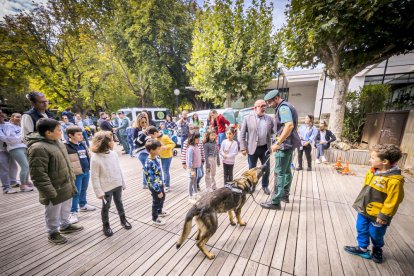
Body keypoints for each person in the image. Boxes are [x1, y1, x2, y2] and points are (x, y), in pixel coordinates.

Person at [344, 144, 404, 263]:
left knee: (376, 234)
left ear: (385, 161)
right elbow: (365, 190)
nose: (369, 160)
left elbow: (394, 200)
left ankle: (377, 249)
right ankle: (362, 248)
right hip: (364, 209)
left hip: (378, 216)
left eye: (372, 158)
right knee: (361, 228)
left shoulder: (394, 181)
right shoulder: (372, 172)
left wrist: (384, 216)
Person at [27, 118, 83, 244]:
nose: (61, 132)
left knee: (65, 207)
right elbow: (38, 174)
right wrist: (49, 191)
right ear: (48, 133)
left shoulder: (57, 142)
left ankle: (65, 225)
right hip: (54, 188)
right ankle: (52, 232)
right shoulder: (38, 148)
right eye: (58, 130)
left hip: (65, 184)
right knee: (53, 211)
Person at [261, 89, 301, 210]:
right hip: (290, 144)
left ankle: (275, 201)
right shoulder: (287, 105)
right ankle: (284, 195)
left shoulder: (283, 108)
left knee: (279, 173)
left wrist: (278, 143)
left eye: (269, 102)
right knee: (287, 170)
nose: (268, 105)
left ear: (276, 98)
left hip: (284, 146)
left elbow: (289, 125)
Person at [90, 131, 132, 237]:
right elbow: (94, 177)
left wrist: (122, 182)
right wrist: (98, 192)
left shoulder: (113, 154)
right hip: (105, 188)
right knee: (106, 207)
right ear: (105, 142)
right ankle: (106, 225)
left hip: (117, 184)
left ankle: (123, 220)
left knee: (119, 202)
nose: (113, 142)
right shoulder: (95, 158)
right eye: (112, 140)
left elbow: (118, 169)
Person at [240, 99, 274, 195]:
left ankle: (265, 186)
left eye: (265, 105)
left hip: (265, 148)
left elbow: (273, 132)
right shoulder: (247, 118)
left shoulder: (269, 118)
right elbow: (242, 134)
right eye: (261, 106)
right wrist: (243, 148)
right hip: (252, 149)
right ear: (255, 108)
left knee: (266, 168)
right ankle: (252, 186)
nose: (264, 107)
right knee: (252, 169)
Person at [65, 126, 96, 225]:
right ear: (70, 135)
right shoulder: (66, 146)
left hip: (86, 171)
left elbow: (88, 156)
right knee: (75, 192)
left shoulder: (82, 144)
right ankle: (73, 212)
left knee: (84, 189)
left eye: (81, 134)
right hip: (76, 174)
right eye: (78, 134)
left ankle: (83, 204)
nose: (81, 136)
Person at [2, 113, 33, 192]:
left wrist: (23, 139)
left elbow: (26, 137)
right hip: (15, 148)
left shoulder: (20, 126)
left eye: (20, 117)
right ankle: (23, 185)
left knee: (27, 165)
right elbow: (9, 138)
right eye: (17, 117)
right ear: (12, 117)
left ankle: (26, 182)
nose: (19, 118)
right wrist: (22, 138)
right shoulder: (8, 126)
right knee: (24, 166)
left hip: (23, 147)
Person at [143, 139, 169, 225]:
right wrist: (158, 190)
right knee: (156, 201)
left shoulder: (155, 157)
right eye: (158, 149)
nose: (160, 150)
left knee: (162, 197)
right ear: (151, 150)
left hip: (159, 183)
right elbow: (152, 178)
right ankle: (155, 217)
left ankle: (159, 211)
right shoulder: (149, 162)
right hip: (154, 186)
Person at [147, 126, 176, 192]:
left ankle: (167, 186)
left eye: (151, 136)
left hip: (167, 156)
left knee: (165, 171)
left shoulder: (165, 137)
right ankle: (165, 182)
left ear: (155, 133)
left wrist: (166, 147)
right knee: (163, 170)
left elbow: (173, 144)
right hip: (161, 156)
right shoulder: (156, 138)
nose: (151, 137)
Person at [180, 124, 205, 191]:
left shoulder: (199, 141)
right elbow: (184, 152)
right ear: (190, 131)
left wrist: (203, 159)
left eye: (196, 129)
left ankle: (196, 183)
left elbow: (202, 151)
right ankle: (194, 187)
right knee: (193, 176)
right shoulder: (186, 142)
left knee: (201, 174)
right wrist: (183, 162)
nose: (194, 130)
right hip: (192, 163)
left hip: (199, 162)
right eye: (192, 129)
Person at [0, 110, 19, 194]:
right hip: (1, 150)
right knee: (4, 169)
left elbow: (15, 133)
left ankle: (12, 182)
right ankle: (6, 188)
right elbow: (3, 137)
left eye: (1, 113)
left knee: (13, 166)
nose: (1, 115)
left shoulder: (8, 124)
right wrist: (18, 139)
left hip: (9, 148)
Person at [134, 113, 150, 189]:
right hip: (141, 152)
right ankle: (145, 183)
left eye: (145, 122)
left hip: (149, 151)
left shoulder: (148, 128)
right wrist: (144, 134)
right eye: (142, 122)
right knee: (146, 167)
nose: (144, 124)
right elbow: (136, 142)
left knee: (146, 167)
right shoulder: (136, 130)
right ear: (138, 122)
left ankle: (145, 183)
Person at [186, 132, 203, 203]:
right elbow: (189, 160)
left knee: (195, 181)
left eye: (199, 138)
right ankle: (190, 196)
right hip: (192, 168)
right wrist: (191, 170)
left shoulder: (197, 146)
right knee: (191, 181)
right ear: (193, 138)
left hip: (196, 167)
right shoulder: (191, 148)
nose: (198, 139)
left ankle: (195, 193)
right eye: (197, 138)